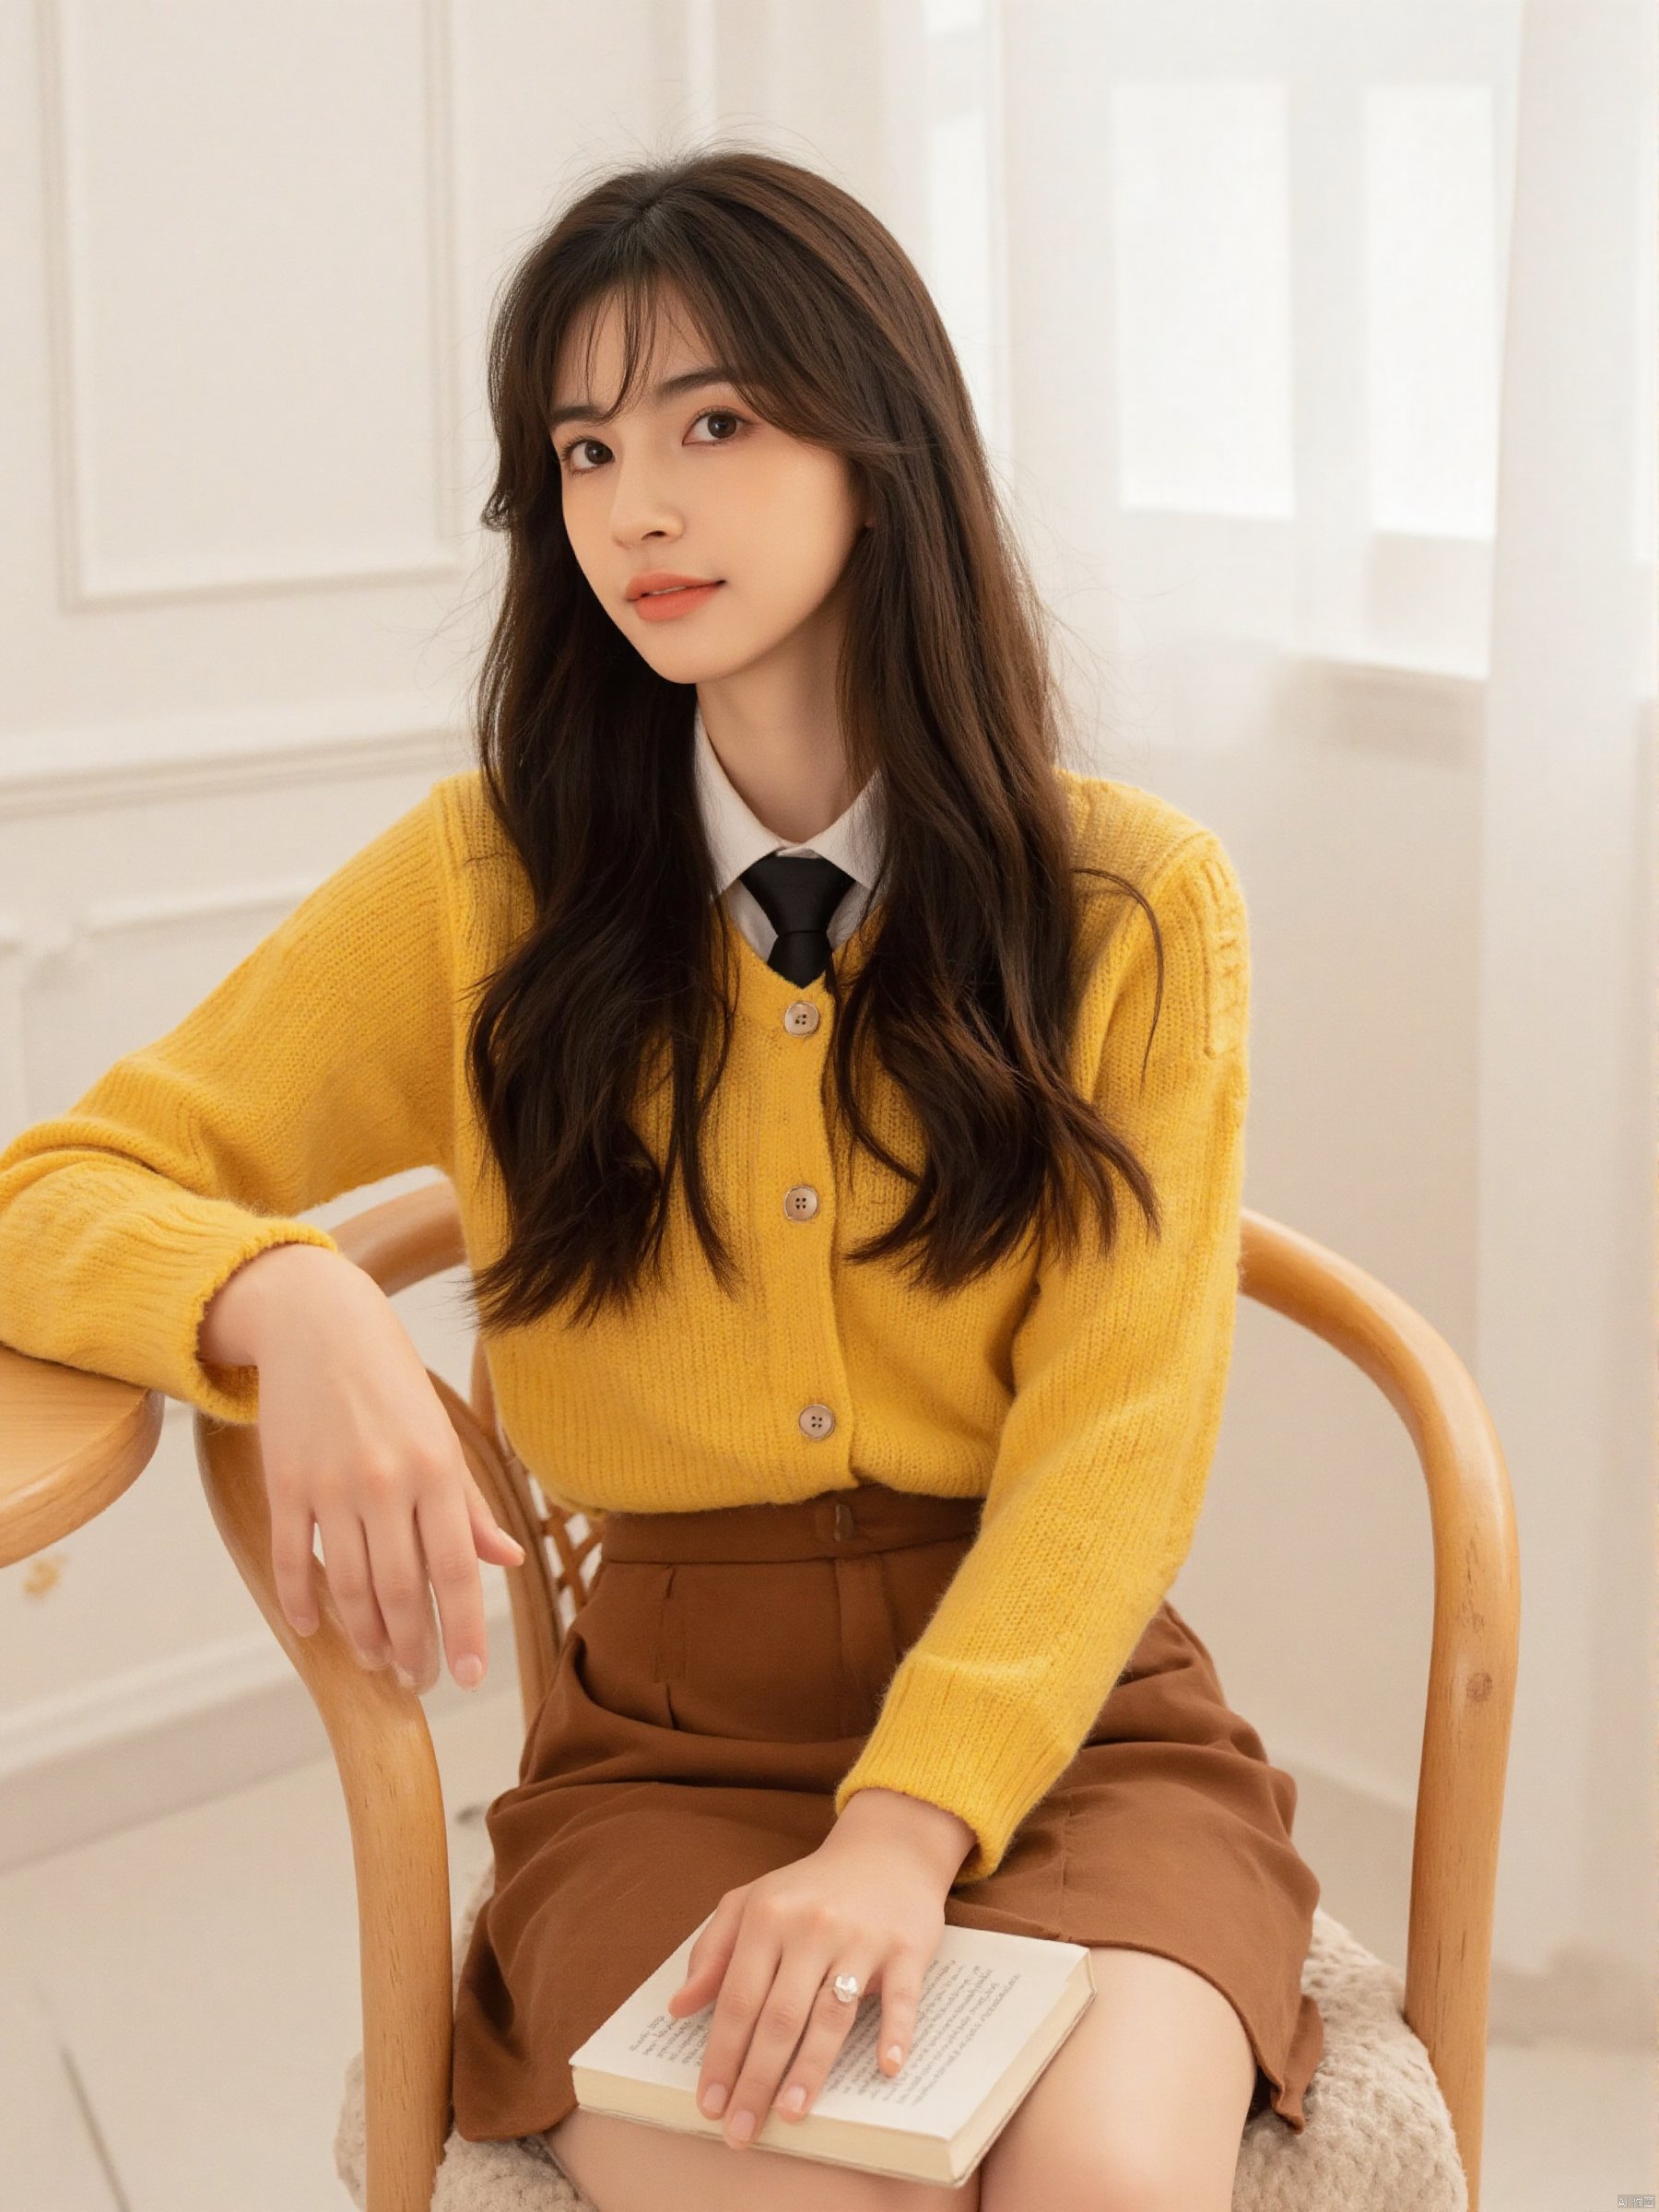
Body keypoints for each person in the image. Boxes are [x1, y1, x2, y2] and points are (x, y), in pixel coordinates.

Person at [0, 146, 1324, 2212]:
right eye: (586, 445)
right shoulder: (481, 888)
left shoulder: (1130, 905)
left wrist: (905, 1829)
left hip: (1070, 1728)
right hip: (669, 1763)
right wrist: (297, 1297)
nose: (637, 505)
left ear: (879, 450)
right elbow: (52, 1185)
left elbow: (1119, 1438)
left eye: (714, 422)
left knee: (1105, 2189)